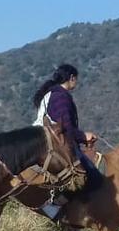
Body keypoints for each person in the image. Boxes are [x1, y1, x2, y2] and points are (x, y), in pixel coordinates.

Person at [32, 63, 99, 219]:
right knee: (90, 176)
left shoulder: (52, 94)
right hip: (55, 145)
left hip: (49, 141)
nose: (77, 82)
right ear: (72, 78)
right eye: (76, 79)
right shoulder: (60, 96)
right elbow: (66, 128)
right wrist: (84, 136)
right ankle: (54, 209)